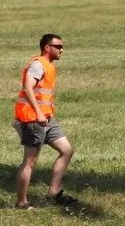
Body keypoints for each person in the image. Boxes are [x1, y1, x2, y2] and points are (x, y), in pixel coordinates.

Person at [14, 33, 77, 209]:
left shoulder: (48, 66)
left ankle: (54, 193)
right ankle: (22, 203)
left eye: (62, 46)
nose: (61, 50)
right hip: (33, 119)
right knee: (30, 161)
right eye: (58, 46)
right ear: (47, 47)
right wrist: (39, 113)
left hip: (47, 119)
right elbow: (28, 87)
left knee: (66, 150)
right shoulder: (38, 65)